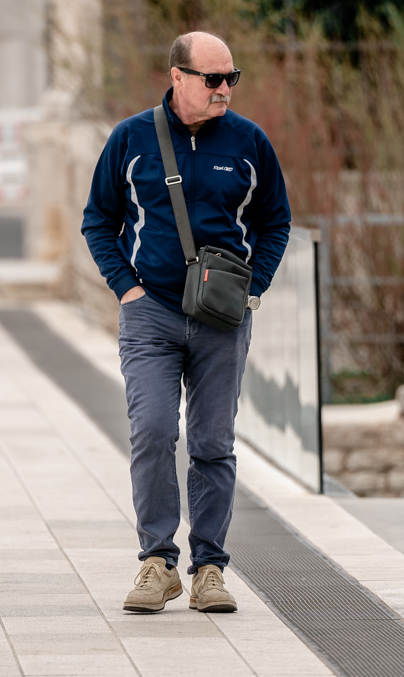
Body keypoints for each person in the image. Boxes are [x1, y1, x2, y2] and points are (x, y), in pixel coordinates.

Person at [82, 32, 292, 613]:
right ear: (178, 77)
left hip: (222, 316)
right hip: (150, 313)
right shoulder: (131, 138)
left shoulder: (250, 141)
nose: (225, 89)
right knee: (151, 431)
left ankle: (209, 570)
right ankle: (156, 561)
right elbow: (98, 220)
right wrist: (126, 288)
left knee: (212, 443)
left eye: (232, 78)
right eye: (213, 79)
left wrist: (255, 286)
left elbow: (277, 222)